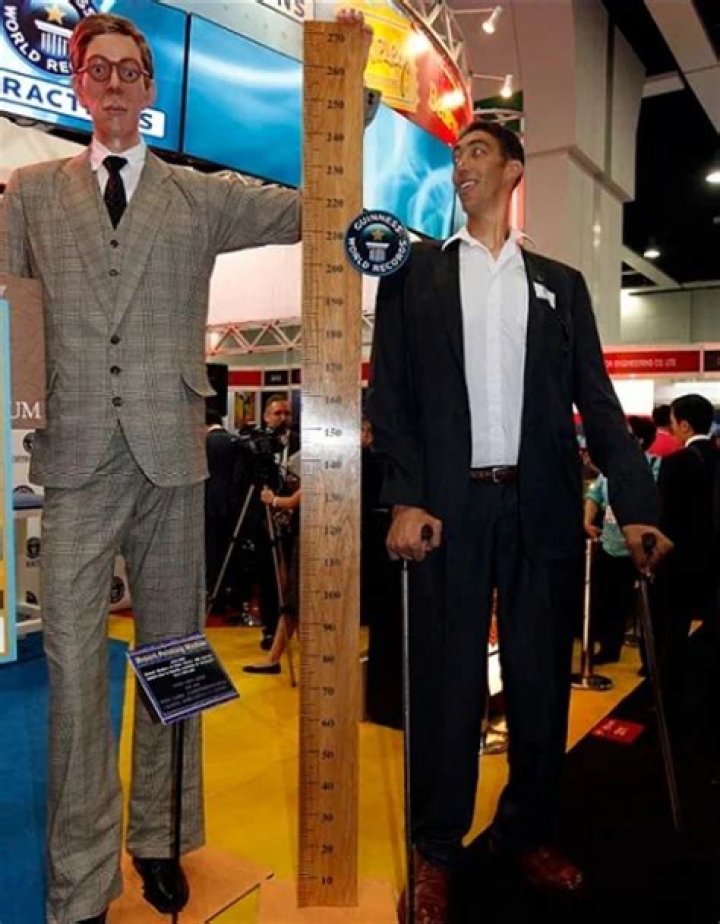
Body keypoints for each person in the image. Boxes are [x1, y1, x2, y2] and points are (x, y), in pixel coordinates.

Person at [0, 11, 372, 923]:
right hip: (74, 458)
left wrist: (344, 113)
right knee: (75, 675)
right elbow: (11, 315)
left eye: (129, 70)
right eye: (99, 69)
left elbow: (308, 206)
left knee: (173, 657)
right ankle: (80, 881)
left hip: (173, 455)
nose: (114, 83)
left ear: (149, 87)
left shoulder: (196, 197)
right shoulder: (29, 195)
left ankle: (162, 839)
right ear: (79, 83)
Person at [367, 118, 672, 923]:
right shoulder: (416, 276)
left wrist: (637, 507)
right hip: (448, 510)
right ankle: (437, 850)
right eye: (456, 154)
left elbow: (597, 403)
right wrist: (405, 495)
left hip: (540, 505)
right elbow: (390, 398)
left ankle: (526, 830)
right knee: (447, 687)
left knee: (538, 684)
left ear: (512, 170)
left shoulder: (560, 285)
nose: (460, 164)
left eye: (476, 151)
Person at [650, 394, 719, 756]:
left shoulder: (676, 464)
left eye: (674, 423)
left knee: (672, 634)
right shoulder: (715, 458)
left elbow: (666, 518)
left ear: (685, 425)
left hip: (680, 565)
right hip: (713, 566)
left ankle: (670, 706)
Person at [583, 415, 660, 664]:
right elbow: (595, 495)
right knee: (608, 600)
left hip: (640, 547)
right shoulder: (611, 468)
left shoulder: (655, 466)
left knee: (643, 604)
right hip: (610, 543)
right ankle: (609, 648)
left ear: (638, 440)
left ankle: (648, 660)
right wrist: (587, 521)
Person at [204, 408, 238, 609]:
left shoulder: (203, 443)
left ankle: (213, 593)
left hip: (208, 505)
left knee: (211, 550)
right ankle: (230, 592)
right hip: (233, 505)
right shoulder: (235, 441)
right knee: (230, 549)